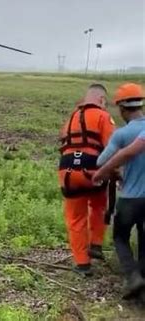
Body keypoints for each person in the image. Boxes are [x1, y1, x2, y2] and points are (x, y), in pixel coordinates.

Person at [58, 84, 116, 276]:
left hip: (67, 171)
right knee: (99, 206)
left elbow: (64, 142)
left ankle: (82, 264)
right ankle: (96, 244)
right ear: (101, 100)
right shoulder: (103, 116)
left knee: (75, 219)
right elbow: (112, 147)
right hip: (93, 170)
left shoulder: (71, 118)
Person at [94, 83, 145, 299]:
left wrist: (112, 171)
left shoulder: (122, 134)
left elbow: (101, 161)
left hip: (129, 198)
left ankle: (132, 276)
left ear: (122, 109)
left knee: (120, 238)